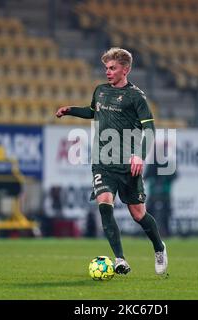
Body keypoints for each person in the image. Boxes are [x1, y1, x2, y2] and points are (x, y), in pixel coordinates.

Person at [56, 47, 168, 275]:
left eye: (113, 68)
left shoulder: (136, 97)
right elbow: (92, 111)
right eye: (106, 67)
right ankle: (120, 259)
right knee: (104, 206)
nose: (108, 71)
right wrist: (70, 111)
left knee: (138, 214)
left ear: (125, 70)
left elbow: (150, 130)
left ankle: (159, 247)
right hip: (103, 162)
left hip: (128, 165)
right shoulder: (100, 91)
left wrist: (140, 155)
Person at [144, 140, 177, 238]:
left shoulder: (163, 162)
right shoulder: (166, 163)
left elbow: (146, 176)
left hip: (160, 193)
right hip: (161, 193)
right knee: (157, 213)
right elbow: (175, 176)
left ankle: (157, 232)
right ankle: (164, 232)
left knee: (154, 213)